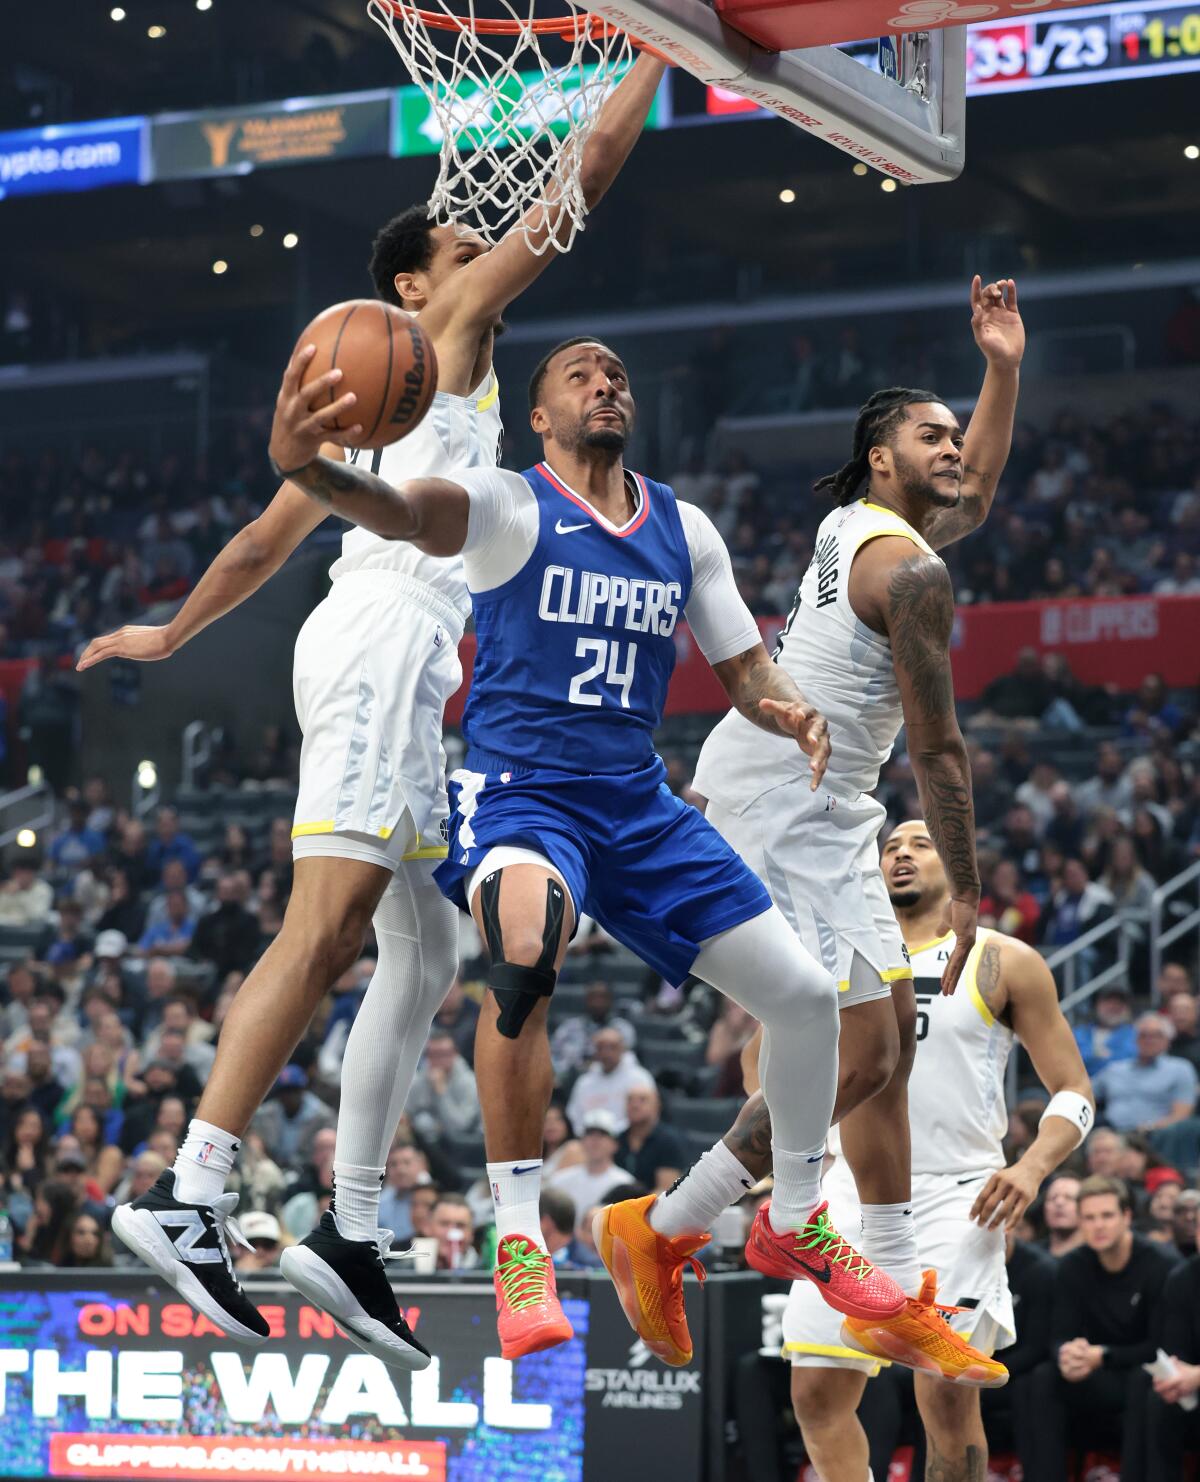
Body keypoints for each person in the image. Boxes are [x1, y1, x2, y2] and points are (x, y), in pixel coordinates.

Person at [97, 53, 667, 1372]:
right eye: (459, 245)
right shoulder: (445, 326)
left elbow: (259, 534)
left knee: (424, 953)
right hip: (377, 644)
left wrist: (168, 629)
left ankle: (349, 1230)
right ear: (411, 287)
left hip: (401, 662)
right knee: (333, 921)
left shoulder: (374, 418)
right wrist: (657, 53)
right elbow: (573, 187)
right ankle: (189, 1186)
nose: (482, 251)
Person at [270, 333, 907, 1368]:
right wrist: (312, 468)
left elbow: (745, 666)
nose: (607, 382)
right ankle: (518, 1240)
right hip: (527, 796)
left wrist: (790, 711)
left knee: (802, 997)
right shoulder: (507, 504)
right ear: (540, 416)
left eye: (618, 373)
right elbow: (403, 512)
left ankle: (794, 1214)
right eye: (582, 374)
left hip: (637, 804)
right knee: (523, 952)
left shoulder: (684, 527)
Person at [652, 280, 1027, 1382]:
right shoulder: (906, 570)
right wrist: (962, 893)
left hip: (829, 808)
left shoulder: (870, 529)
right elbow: (941, 750)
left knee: (885, 1047)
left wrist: (1001, 366)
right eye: (932, 434)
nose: (954, 447)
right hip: (780, 801)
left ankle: (889, 1280)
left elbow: (980, 496)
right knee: (845, 1041)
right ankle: (689, 1223)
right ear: (879, 456)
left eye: (956, 432)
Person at [778, 819, 1094, 1482]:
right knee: (813, 1396)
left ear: (956, 867)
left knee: (945, 1398)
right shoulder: (836, 957)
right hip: (847, 1196)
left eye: (920, 844)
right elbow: (768, 1066)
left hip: (959, 1197)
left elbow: (1074, 1091)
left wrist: (1032, 1167)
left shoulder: (1005, 959)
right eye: (890, 846)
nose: (901, 854)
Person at [1024, 1175, 1177, 1482]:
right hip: (1095, 1370)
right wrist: (1067, 1354)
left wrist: (1103, 1355)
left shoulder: (1160, 1264)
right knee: (1042, 1378)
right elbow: (1058, 1335)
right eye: (1089, 1218)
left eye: (1107, 1216)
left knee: (1142, 1379)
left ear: (1127, 1217)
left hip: (1138, 1368)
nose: (1098, 1225)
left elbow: (1160, 1346)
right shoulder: (1071, 1266)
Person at [1092, 1012, 1199, 1132]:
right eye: (1143, 1035)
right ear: (1135, 1040)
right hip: (1110, 1134)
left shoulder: (1181, 1069)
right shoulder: (1115, 1069)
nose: (1149, 1040)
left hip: (1155, 1136)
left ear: (1168, 1040)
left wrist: (1150, 1128)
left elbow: (1181, 1116)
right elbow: (1086, 1094)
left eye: (1156, 1035)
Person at [1147, 1249, 1200, 1479]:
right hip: (1194, 1390)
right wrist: (1175, 1379)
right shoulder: (1183, 1278)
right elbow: (1176, 1351)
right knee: (1160, 1398)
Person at [565, 1026, 654, 1134]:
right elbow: (574, 1116)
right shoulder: (584, 1082)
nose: (606, 1053)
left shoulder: (640, 1077)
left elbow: (647, 1112)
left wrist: (611, 1135)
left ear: (623, 1048)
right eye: (601, 1048)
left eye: (612, 1047)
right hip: (588, 1140)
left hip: (627, 1139)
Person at [406, 1030, 482, 1145]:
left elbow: (460, 1127)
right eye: (434, 1055)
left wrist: (441, 1092)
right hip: (427, 1143)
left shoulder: (469, 1082)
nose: (439, 1060)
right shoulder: (420, 1079)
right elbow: (407, 1114)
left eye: (444, 1054)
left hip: (464, 1145)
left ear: (455, 1053)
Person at [550, 980, 637, 1078]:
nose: (597, 1003)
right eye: (593, 997)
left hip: (608, 1079)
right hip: (567, 1080)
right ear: (586, 1000)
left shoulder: (622, 1028)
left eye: (602, 997)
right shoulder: (569, 1027)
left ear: (611, 1000)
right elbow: (552, 1056)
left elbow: (627, 1061)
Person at [548, 1109, 629, 1212]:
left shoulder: (625, 1183)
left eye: (602, 1134)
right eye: (589, 1134)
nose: (595, 1140)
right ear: (581, 1141)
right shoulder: (559, 1181)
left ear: (615, 1144)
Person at [616, 1083, 686, 1191]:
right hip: (616, 1203)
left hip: (652, 1205)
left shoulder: (668, 1141)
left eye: (642, 1100)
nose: (634, 1105)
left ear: (657, 1105)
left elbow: (666, 1190)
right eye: (630, 1100)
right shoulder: (617, 1139)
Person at [1073, 985, 1137, 1078]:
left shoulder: (1135, 1034)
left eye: (1119, 1003)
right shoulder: (1079, 1033)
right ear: (1096, 1006)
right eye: (1108, 1002)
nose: (1114, 1007)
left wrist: (1092, 1058)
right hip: (1081, 1086)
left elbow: (1133, 1061)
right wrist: (1095, 1055)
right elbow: (1069, 1061)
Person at [1041, 1172, 1084, 1257]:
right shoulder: (1030, 1259)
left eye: (1069, 1198)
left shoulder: (1097, 1256)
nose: (1059, 1203)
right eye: (1053, 1198)